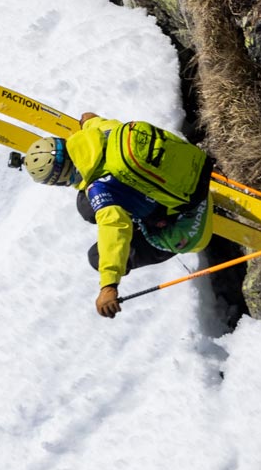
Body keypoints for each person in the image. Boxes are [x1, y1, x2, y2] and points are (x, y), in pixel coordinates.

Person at [16, 112, 213, 318]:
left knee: (96, 256)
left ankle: (151, 218)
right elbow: (95, 122)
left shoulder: (102, 191)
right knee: (86, 205)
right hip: (192, 163)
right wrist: (88, 120)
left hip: (189, 221)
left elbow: (114, 230)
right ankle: (145, 204)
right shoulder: (100, 132)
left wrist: (108, 284)